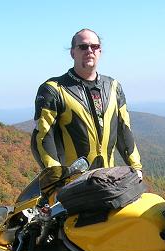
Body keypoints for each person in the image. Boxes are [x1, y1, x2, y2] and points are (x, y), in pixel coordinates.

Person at [31, 28, 143, 178]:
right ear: (72, 53)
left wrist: (136, 168)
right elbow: (43, 136)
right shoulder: (53, 89)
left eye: (94, 46)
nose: (89, 50)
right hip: (72, 184)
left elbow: (124, 131)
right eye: (83, 47)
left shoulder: (114, 87)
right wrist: (55, 178)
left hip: (108, 181)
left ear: (100, 51)